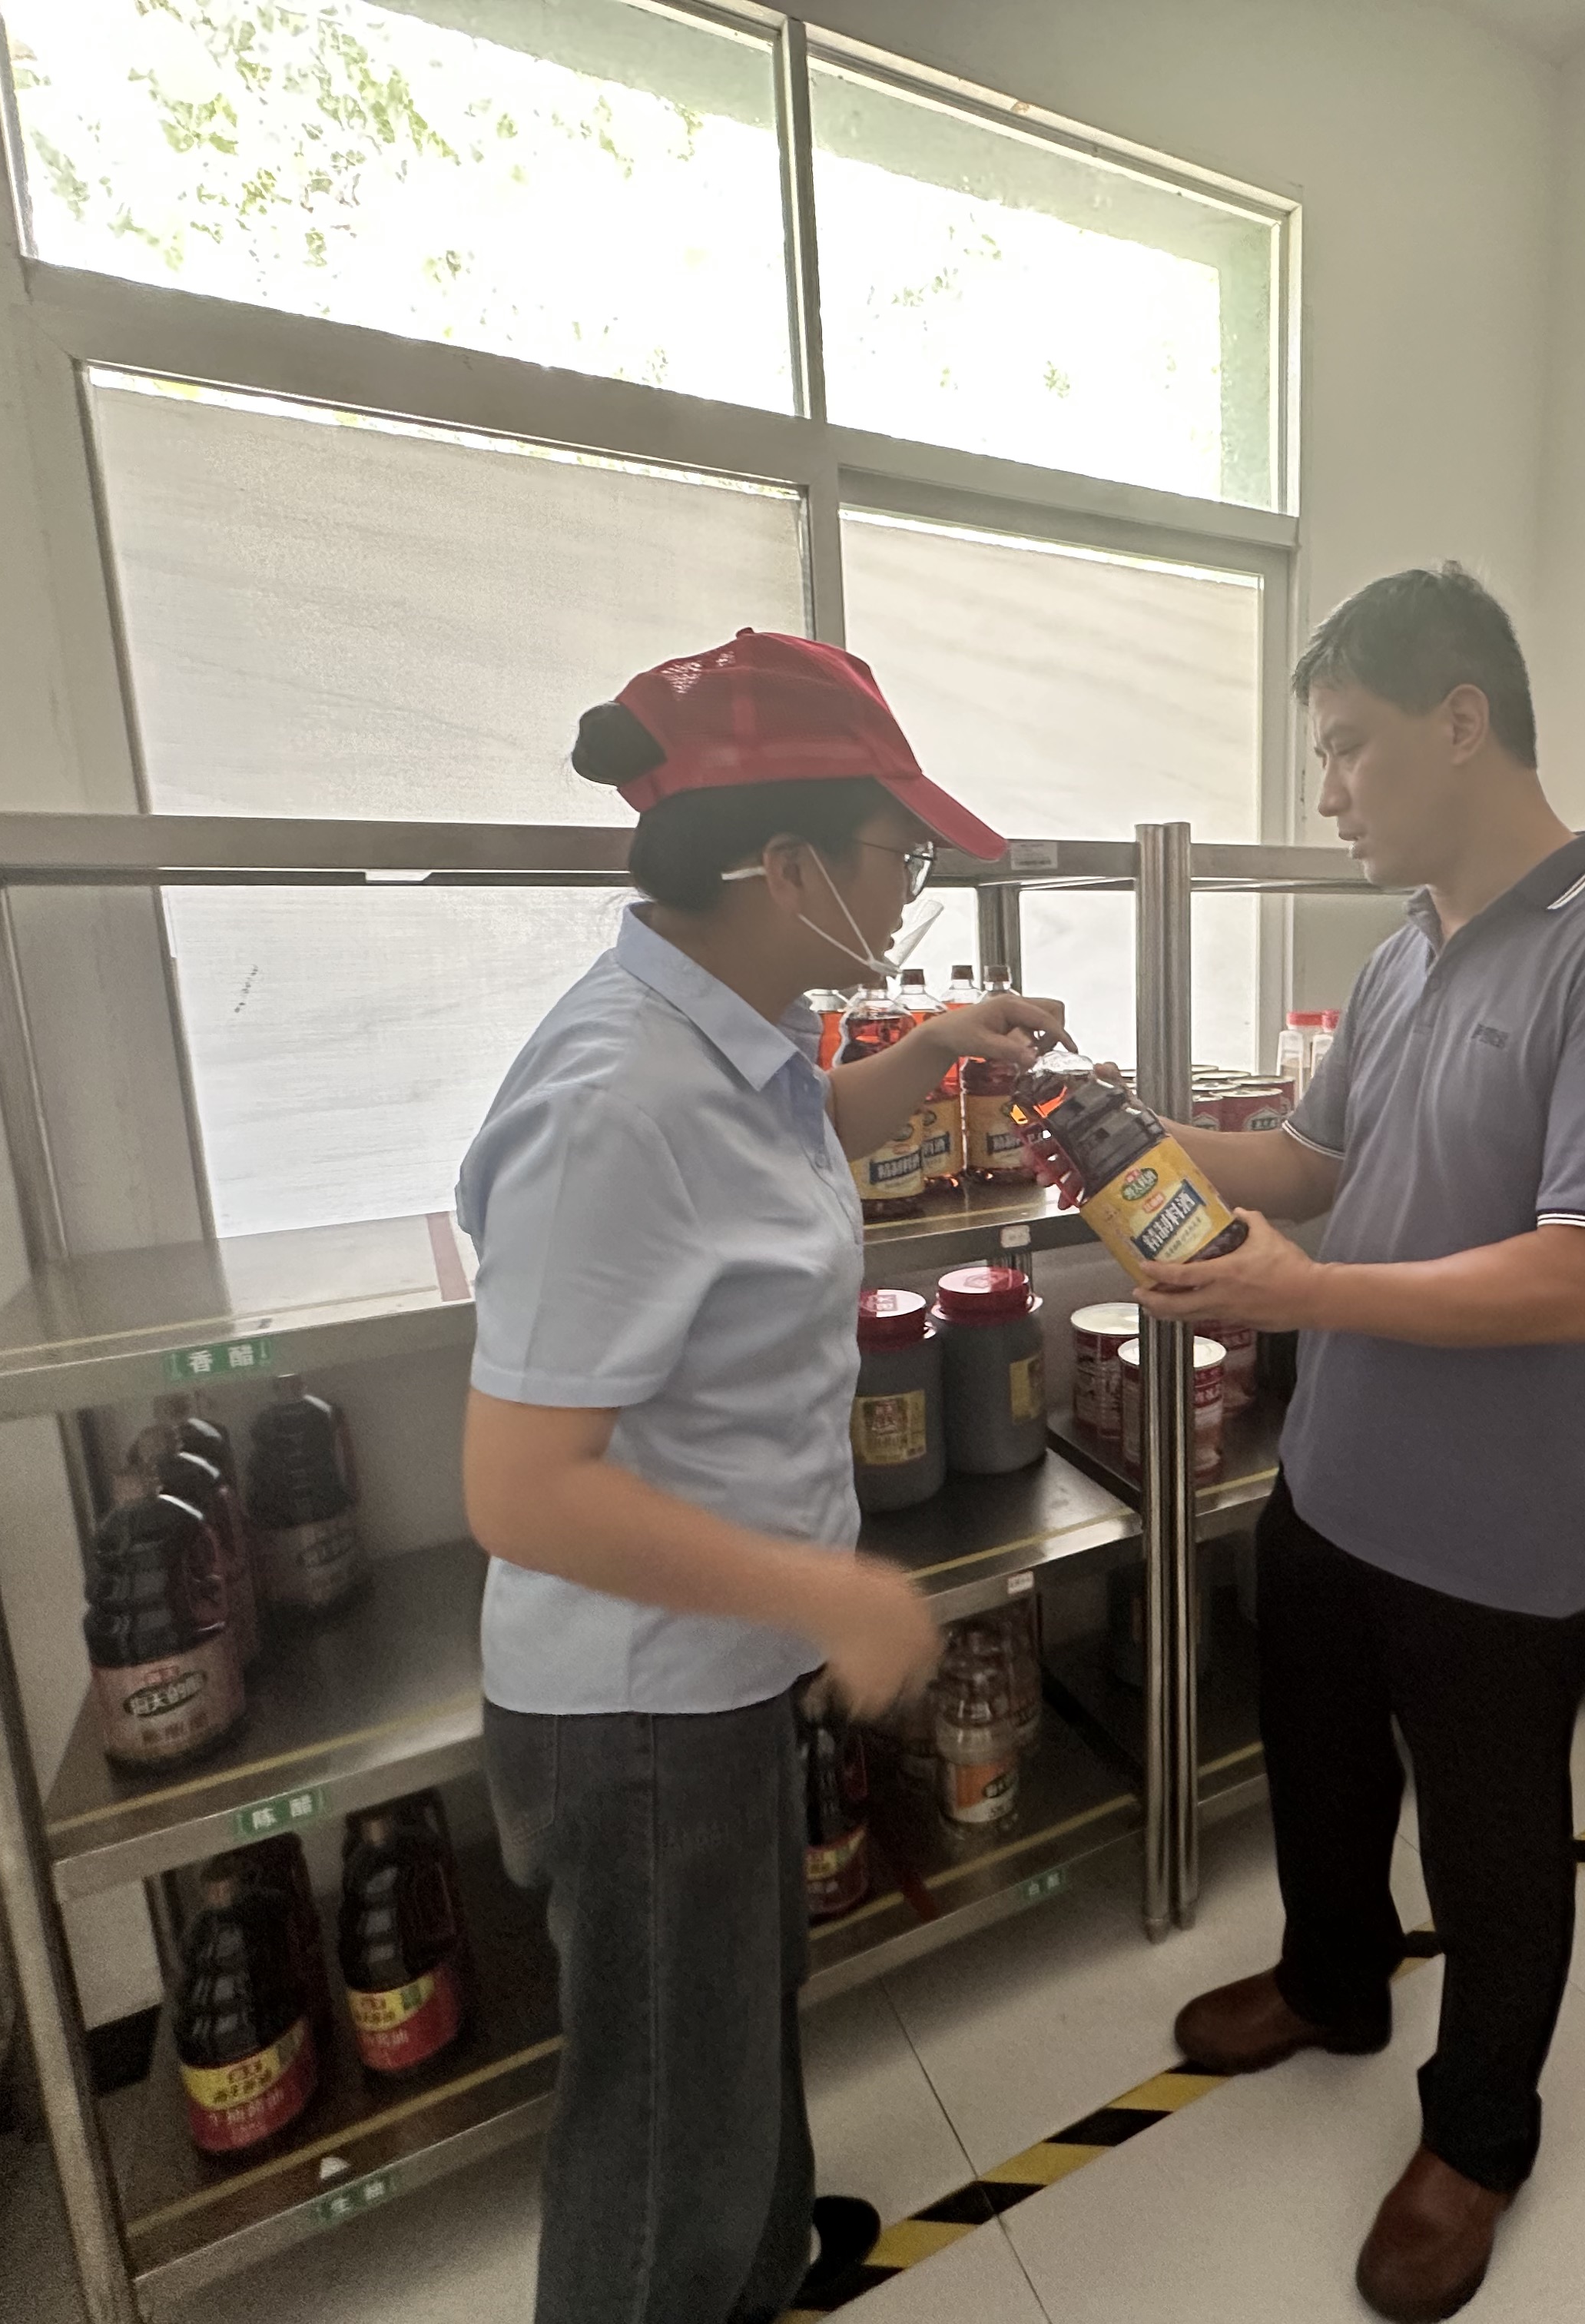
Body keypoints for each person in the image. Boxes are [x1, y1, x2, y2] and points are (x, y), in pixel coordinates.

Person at [1136, 567, 1585, 2322]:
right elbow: (1313, 1166)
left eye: (1349, 747)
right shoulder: (1404, 950)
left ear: (1461, 720)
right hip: (1339, 1479)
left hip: (1504, 1525)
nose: (1328, 791)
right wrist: (1125, 1129)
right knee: (1321, 1777)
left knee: (1492, 1849)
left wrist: (1305, 1294)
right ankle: (1333, 1983)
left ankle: (1478, 2136)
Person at [456, 629, 1060, 2324]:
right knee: (662, 2120)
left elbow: (788, 1146)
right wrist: (827, 1591)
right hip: (638, 1708)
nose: (911, 886)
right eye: (898, 855)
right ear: (786, 866)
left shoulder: (730, 1027)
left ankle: (760, 2264)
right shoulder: (615, 1100)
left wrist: (933, 1052)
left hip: (716, 1670)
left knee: (731, 2027)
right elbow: (520, 1489)